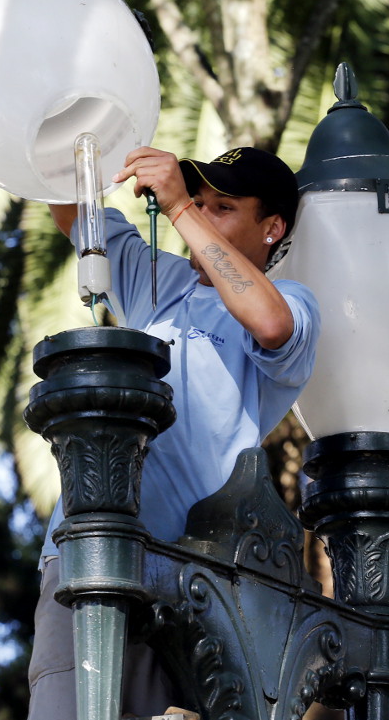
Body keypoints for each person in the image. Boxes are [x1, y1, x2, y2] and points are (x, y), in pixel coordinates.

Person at [27, 145, 321, 720]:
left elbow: (271, 324)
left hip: (191, 580)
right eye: (201, 201)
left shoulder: (293, 303)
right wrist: (61, 130)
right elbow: (68, 208)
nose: (202, 215)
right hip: (83, 550)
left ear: (272, 228)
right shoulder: (159, 281)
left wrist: (182, 205)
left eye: (224, 206)